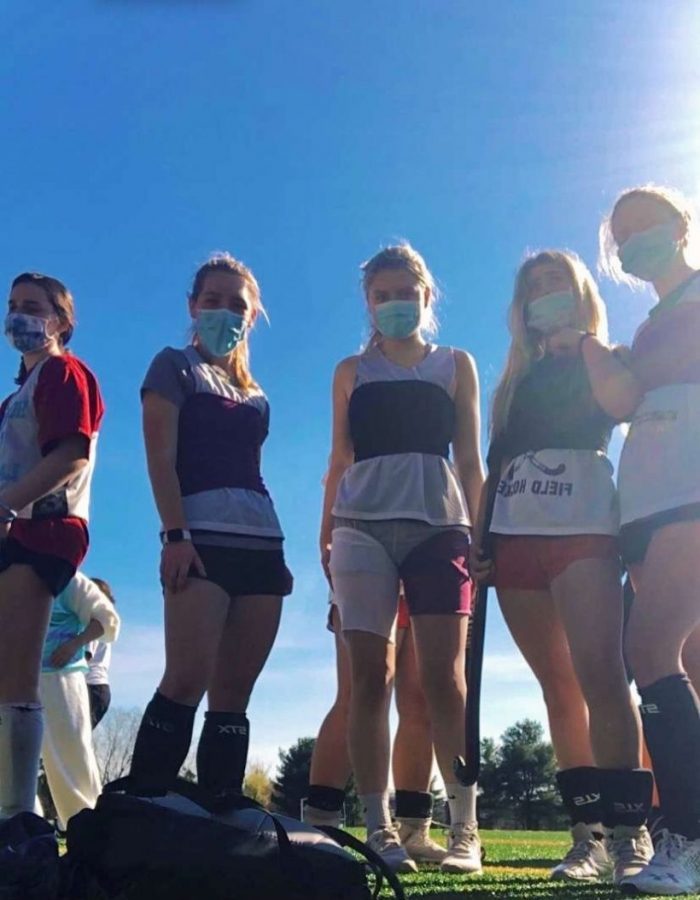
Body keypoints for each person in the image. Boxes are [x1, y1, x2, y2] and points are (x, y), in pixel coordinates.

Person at [473, 249, 652, 885]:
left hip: (584, 527)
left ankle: (634, 835)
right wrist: (479, 537)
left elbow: (624, 405)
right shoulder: (514, 381)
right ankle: (588, 838)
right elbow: (495, 468)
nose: (545, 294)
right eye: (534, 288)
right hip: (515, 538)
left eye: (557, 284)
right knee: (558, 687)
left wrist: (587, 347)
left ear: (580, 295)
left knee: (602, 673)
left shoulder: (606, 355)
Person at [321, 243, 484, 874]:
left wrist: (484, 530)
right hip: (359, 529)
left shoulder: (455, 364)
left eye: (405, 292)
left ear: (426, 296)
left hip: (441, 529)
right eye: (382, 294)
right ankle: (380, 828)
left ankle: (465, 828)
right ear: (369, 303)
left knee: (444, 681)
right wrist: (326, 528)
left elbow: (470, 459)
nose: (395, 303)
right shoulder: (350, 370)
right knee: (372, 679)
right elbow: (340, 459)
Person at [129, 253, 292, 797]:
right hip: (199, 545)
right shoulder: (172, 367)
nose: (225, 312)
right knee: (185, 681)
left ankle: (221, 821)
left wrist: (277, 553)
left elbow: (254, 473)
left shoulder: (258, 395)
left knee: (234, 696)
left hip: (262, 549)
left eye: (237, 305)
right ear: (193, 305)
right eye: (213, 301)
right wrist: (175, 536)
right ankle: (143, 810)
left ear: (253, 315)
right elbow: (160, 457)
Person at [594, 185, 700, 893]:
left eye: (648, 225)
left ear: (683, 223)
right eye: (622, 233)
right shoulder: (649, 323)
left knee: (649, 648)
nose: (637, 240)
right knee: (684, 656)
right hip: (648, 502)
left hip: (690, 494)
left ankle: (687, 838)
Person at [0, 272, 105, 820]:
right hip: (13, 535)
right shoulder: (16, 397)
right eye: (12, 304)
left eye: (33, 306)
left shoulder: (65, 373)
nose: (18, 316)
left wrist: (8, 505)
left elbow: (70, 456)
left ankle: (18, 823)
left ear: (61, 321)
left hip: (41, 533)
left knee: (18, 678)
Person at [304, 591, 447, 864]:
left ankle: (413, 829)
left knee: (419, 702)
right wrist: (328, 548)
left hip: (422, 578)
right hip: (369, 571)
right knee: (357, 694)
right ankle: (321, 822)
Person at [38, 572, 120, 828]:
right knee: (23, 757)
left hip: (75, 683)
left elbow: (107, 622)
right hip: (26, 680)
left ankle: (85, 826)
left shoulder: (72, 587)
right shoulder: (21, 577)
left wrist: (74, 645)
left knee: (71, 753)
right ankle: (27, 825)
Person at [85, 577, 117, 729]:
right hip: (98, 689)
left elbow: (83, 656)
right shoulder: (105, 622)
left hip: (89, 686)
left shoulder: (94, 622)